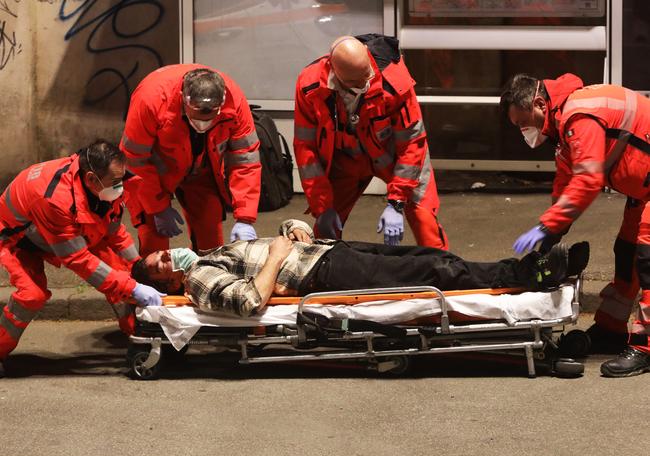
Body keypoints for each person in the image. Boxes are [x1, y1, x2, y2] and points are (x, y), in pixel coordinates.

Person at [500, 73, 650, 377]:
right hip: (643, 189)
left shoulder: (579, 115)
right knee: (627, 252)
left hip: (645, 186)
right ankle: (611, 329)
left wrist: (546, 227)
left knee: (647, 260)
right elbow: (566, 180)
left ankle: (646, 347)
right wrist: (553, 232)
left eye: (522, 123)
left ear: (540, 103)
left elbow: (587, 180)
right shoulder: (563, 123)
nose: (523, 132)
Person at [133, 219, 589, 319]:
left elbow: (266, 250)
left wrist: (293, 233)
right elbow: (251, 301)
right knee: (438, 273)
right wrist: (275, 256)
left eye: (162, 252)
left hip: (328, 254)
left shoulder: (209, 254)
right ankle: (531, 276)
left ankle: (524, 268)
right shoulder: (199, 280)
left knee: (435, 258)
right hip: (326, 277)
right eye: (161, 264)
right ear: (168, 281)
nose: (168, 254)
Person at [0, 140, 164, 378]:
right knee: (31, 295)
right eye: (115, 183)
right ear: (90, 179)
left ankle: (141, 339)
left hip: (60, 231)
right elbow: (77, 259)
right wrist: (133, 287)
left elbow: (114, 230)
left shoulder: (108, 182)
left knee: (123, 275)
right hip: (20, 240)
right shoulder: (53, 198)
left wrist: (138, 267)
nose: (120, 187)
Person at [293, 34, 446, 248]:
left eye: (367, 75)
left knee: (425, 221)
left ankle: (444, 276)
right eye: (356, 82)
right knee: (324, 233)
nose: (365, 83)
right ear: (335, 72)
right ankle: (324, 273)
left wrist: (397, 201)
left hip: (394, 156)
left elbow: (412, 142)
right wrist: (322, 207)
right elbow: (306, 150)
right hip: (345, 158)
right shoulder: (310, 87)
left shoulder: (393, 80)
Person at [120, 64, 262, 256]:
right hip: (153, 173)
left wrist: (245, 217)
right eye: (197, 115)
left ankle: (205, 279)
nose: (203, 123)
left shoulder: (234, 101)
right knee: (154, 244)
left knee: (211, 242)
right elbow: (134, 161)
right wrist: (157, 207)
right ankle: (153, 286)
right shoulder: (151, 99)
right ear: (183, 100)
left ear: (221, 104)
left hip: (202, 169)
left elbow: (246, 160)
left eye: (211, 116)